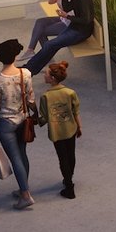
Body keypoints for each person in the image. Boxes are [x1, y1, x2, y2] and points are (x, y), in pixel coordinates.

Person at [0, 39, 38, 211]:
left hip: (5, 124)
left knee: (15, 159)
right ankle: (24, 187)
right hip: (22, 120)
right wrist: (36, 114)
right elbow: (30, 99)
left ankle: (25, 195)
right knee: (22, 155)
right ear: (15, 56)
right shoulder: (25, 74)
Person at [23, 0, 97, 73]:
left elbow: (86, 20)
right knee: (52, 46)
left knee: (50, 45)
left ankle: (28, 69)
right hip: (74, 27)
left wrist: (67, 17)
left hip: (81, 32)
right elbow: (67, 7)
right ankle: (29, 69)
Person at [39, 60, 81, 198]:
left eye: (45, 74)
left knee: (62, 158)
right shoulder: (70, 93)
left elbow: (44, 118)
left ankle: (69, 187)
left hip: (57, 132)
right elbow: (75, 112)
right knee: (71, 155)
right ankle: (69, 178)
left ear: (52, 78)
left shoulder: (46, 96)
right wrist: (79, 127)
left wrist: (34, 117)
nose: (44, 75)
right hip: (71, 129)